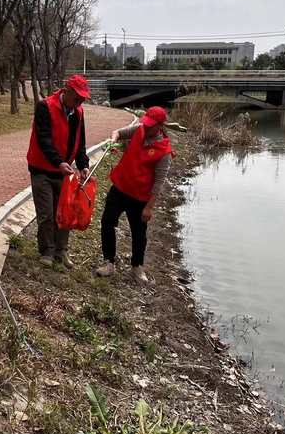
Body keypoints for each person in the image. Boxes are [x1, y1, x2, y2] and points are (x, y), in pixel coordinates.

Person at [96, 106, 174, 284]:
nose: (146, 127)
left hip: (140, 197)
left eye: (150, 125)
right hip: (120, 187)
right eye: (145, 123)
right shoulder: (139, 130)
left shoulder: (164, 152)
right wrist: (113, 140)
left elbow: (159, 183)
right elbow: (118, 132)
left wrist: (149, 207)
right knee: (107, 222)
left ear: (160, 126)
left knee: (139, 233)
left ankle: (137, 267)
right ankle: (109, 262)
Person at [26, 75, 90, 268]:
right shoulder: (45, 106)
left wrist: (83, 164)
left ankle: (61, 251)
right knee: (46, 214)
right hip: (42, 169)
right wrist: (59, 162)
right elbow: (43, 138)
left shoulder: (78, 112)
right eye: (76, 99)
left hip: (64, 172)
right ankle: (47, 251)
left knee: (64, 213)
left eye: (81, 100)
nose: (77, 103)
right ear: (66, 91)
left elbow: (80, 142)